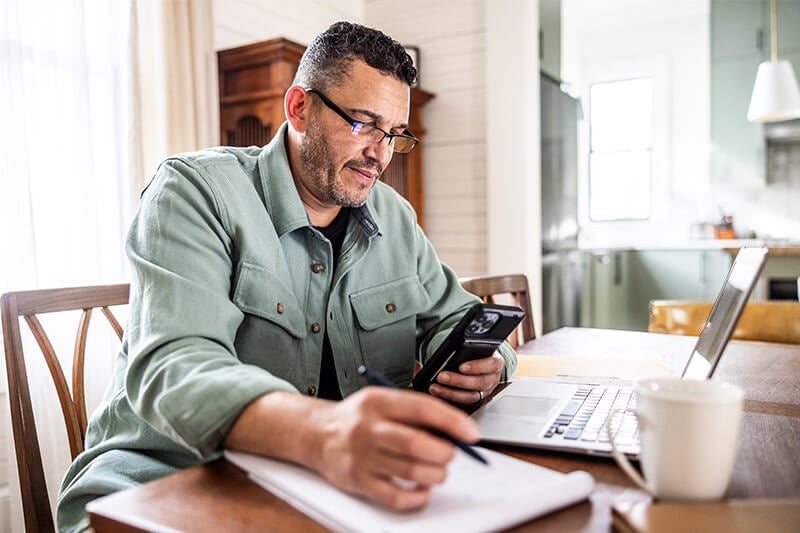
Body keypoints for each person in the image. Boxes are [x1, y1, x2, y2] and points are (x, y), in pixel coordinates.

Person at [57, 21, 517, 532]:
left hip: (318, 489)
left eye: (393, 135)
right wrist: (325, 434)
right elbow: (176, 367)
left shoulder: (394, 216)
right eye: (364, 124)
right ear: (299, 107)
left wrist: (488, 363)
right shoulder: (194, 192)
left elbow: (459, 318)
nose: (381, 155)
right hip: (164, 486)